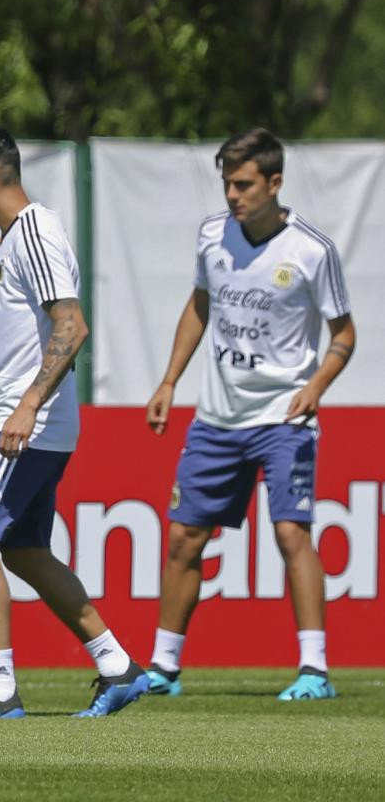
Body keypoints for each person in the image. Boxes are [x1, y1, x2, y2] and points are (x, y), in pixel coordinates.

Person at [0, 124, 149, 720]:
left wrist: (24, 404)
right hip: (22, 415)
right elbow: (29, 337)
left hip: (29, 422)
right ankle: (118, 667)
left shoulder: (36, 232)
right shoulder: (16, 238)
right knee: (23, 550)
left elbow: (71, 327)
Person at [144, 128, 355, 701]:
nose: (232, 196)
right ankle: (163, 667)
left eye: (243, 184)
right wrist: (169, 381)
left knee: (291, 533)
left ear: (274, 182)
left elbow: (344, 334)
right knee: (185, 538)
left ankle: (314, 671)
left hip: (283, 417)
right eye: (227, 184)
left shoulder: (312, 251)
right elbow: (200, 305)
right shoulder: (212, 235)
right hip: (216, 417)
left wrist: (317, 385)